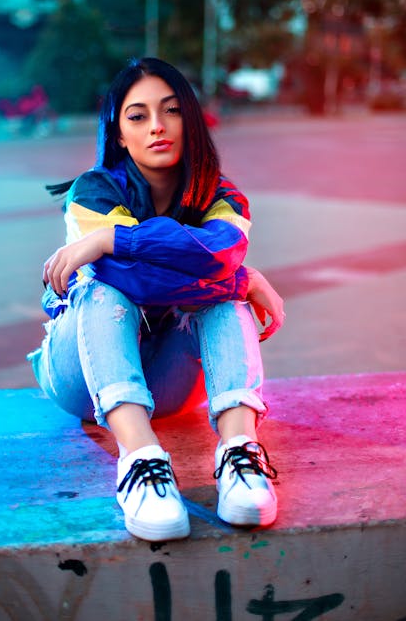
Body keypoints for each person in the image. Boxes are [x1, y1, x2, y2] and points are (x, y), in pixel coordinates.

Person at [28, 57, 285, 542]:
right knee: (104, 287)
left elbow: (217, 256)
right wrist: (239, 277)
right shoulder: (93, 192)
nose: (157, 127)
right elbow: (138, 281)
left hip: (171, 384)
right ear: (119, 134)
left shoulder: (223, 197)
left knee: (224, 299)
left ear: (190, 118)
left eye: (170, 111)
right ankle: (141, 462)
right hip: (82, 379)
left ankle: (240, 456)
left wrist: (114, 241)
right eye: (138, 115)